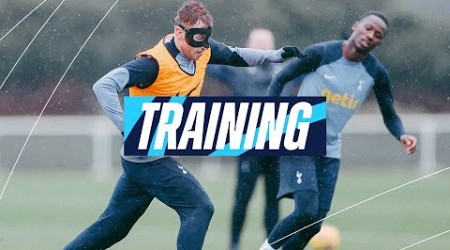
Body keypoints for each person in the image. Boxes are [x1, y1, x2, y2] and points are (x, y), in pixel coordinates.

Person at [63, 1, 305, 249]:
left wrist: (276, 56)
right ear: (179, 32)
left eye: (206, 38)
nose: (202, 46)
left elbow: (237, 55)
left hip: (147, 160)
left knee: (113, 228)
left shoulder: (203, 49)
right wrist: (128, 129)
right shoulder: (152, 64)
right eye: (197, 38)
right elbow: (103, 86)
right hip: (148, 159)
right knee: (200, 207)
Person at [259, 11, 418, 250]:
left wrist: (401, 134)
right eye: (368, 28)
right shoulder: (321, 53)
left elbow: (389, 113)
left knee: (313, 226)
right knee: (306, 211)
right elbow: (280, 78)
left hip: (330, 151)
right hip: (300, 137)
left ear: (379, 42)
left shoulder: (376, 73)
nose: (370, 35)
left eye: (377, 35)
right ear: (356, 26)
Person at [206, 28, 280, 250]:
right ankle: (234, 244)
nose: (262, 46)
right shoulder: (235, 70)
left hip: (277, 144)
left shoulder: (283, 70)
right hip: (247, 144)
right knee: (242, 199)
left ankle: (272, 244)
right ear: (247, 45)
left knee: (273, 199)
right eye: (257, 42)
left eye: (267, 41)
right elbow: (205, 61)